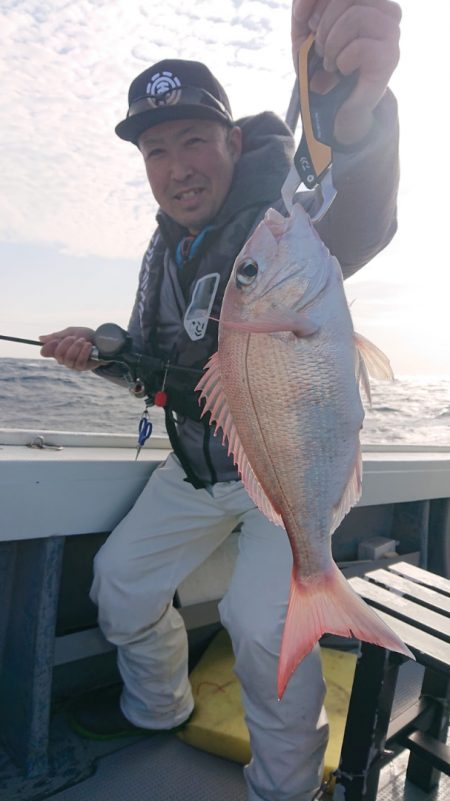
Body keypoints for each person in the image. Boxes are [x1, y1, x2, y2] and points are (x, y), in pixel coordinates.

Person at [40, 1, 402, 799]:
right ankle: (159, 708)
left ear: (234, 141)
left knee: (264, 624)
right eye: (157, 149)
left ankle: (286, 787)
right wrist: (101, 352)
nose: (178, 165)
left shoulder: (281, 213)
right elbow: (152, 367)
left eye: (195, 139)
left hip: (284, 463)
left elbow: (360, 213)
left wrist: (356, 105)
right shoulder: (166, 246)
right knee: (119, 584)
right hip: (201, 464)